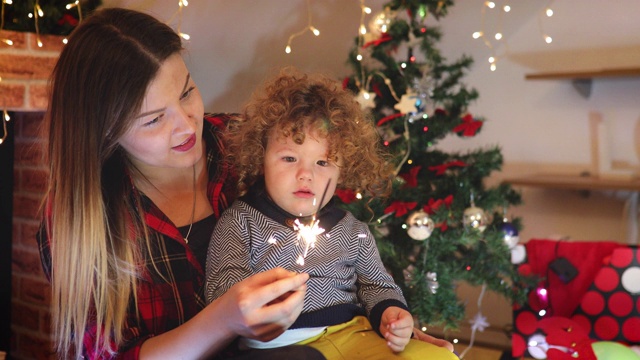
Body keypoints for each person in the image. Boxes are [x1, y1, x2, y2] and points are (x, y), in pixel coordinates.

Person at [37, 8, 326, 360]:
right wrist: (222, 320)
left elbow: (337, 233)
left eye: (187, 92)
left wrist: (382, 309)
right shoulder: (80, 217)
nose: (187, 126)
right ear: (104, 131)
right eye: (154, 119)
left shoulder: (251, 147)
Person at [205, 69, 457, 359]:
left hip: (353, 335)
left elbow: (377, 284)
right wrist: (259, 308)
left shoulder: (352, 229)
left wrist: (392, 314)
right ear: (261, 159)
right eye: (289, 158)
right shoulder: (240, 221)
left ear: (342, 170)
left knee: (439, 357)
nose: (305, 175)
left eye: (323, 162)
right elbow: (223, 288)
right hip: (277, 347)